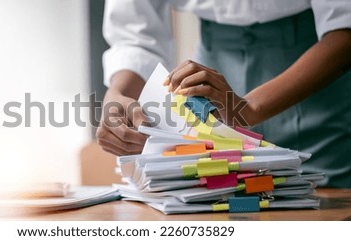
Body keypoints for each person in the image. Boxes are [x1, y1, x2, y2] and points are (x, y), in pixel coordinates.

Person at [96, 0, 351, 188]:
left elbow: (345, 26)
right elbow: (135, 38)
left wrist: (249, 106)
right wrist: (116, 94)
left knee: (316, 200)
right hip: (208, 76)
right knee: (221, 198)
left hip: (313, 76)